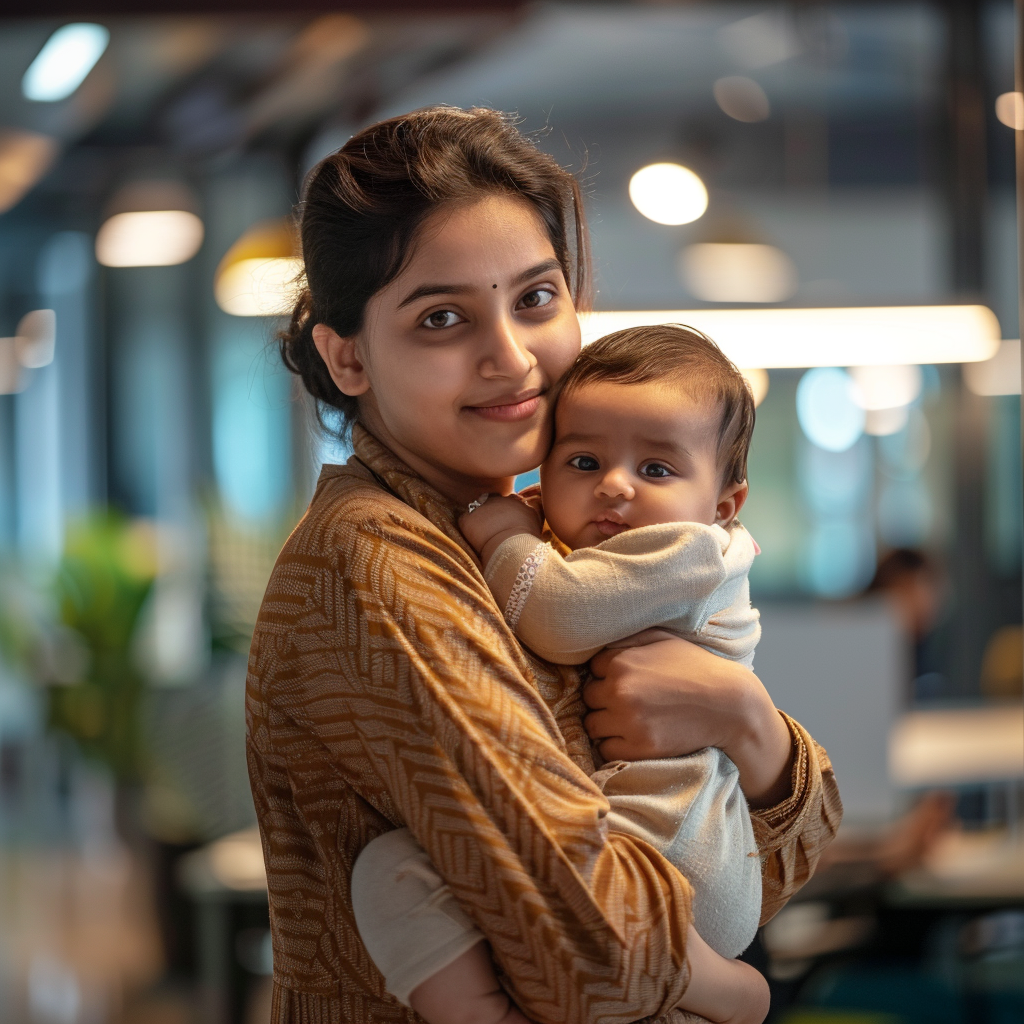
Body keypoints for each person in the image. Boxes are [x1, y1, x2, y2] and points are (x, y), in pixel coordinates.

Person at [247, 105, 842, 1024]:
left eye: (535, 298)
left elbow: (754, 882)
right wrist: (745, 991)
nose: (513, 358)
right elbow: (595, 955)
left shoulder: (547, 527)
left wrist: (747, 720)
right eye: (443, 317)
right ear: (347, 355)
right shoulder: (380, 563)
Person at [351, 324, 771, 1024]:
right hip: (656, 846)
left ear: (724, 505)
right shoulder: (604, 549)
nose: (614, 485)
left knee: (395, 876)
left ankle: (722, 990)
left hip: (672, 849)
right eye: (582, 460)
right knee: (397, 873)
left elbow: (557, 613)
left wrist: (506, 536)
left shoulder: (692, 553)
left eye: (657, 470)